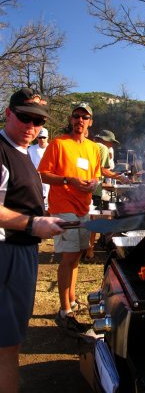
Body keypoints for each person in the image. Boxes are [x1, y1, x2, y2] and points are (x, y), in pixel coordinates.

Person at [0, 87, 65, 393]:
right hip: (6, 254)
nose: (31, 127)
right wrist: (31, 223)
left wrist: (44, 217)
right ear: (8, 113)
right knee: (6, 346)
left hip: (22, 253)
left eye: (38, 122)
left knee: (11, 340)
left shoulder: (22, 152)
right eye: (24, 118)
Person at [38, 102, 101, 333]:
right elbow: (43, 174)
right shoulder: (58, 143)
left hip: (84, 206)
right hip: (63, 206)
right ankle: (64, 312)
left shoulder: (94, 148)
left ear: (90, 122)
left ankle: (72, 300)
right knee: (69, 256)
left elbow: (96, 174)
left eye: (85, 117)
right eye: (76, 116)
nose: (80, 120)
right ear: (71, 119)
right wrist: (68, 180)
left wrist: (93, 184)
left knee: (77, 257)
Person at [85, 131, 130, 262]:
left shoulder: (87, 145)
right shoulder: (102, 148)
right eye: (111, 142)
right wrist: (120, 177)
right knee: (94, 221)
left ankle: (82, 250)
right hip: (94, 190)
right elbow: (103, 170)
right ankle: (89, 253)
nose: (112, 145)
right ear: (106, 140)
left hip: (83, 188)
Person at [28, 127, 50, 211]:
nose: (42, 139)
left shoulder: (52, 148)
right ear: (37, 138)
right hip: (35, 178)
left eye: (44, 137)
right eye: (40, 137)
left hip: (48, 180)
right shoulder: (31, 149)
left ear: (47, 137)